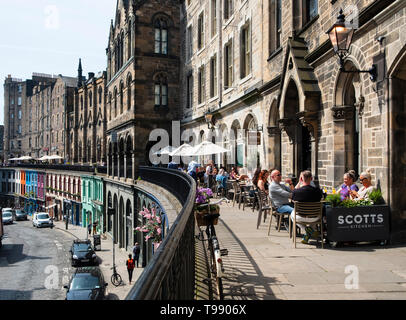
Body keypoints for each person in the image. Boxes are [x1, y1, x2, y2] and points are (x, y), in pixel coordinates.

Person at [290, 171, 323, 244]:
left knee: (292, 214)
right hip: (315, 217)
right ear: (311, 179)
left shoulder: (297, 192)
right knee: (315, 213)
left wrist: (299, 182)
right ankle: (310, 231)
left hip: (301, 217)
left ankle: (307, 230)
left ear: (301, 179)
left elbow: (293, 196)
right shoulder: (318, 191)